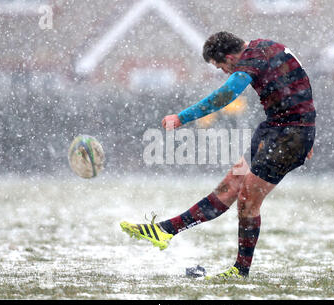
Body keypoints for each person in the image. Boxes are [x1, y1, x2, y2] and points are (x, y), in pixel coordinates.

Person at [120, 31, 316, 279]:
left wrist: (182, 118)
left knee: (247, 201)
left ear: (229, 56)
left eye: (221, 66)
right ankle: (165, 230)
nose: (225, 72)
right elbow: (300, 83)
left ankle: (240, 271)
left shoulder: (251, 59)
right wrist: (308, 128)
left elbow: (225, 95)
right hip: (275, 129)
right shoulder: (265, 48)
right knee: (230, 184)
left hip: (289, 136)